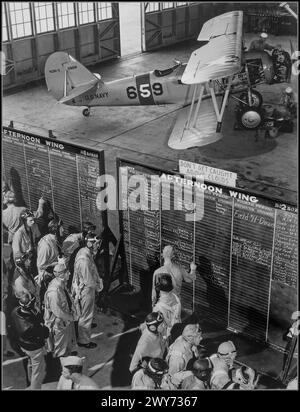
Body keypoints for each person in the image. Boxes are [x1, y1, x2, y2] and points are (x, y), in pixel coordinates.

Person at [10, 294, 49, 389]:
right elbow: (45, 332)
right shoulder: (32, 326)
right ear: (30, 306)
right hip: (35, 349)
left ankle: (30, 382)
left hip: (23, 346)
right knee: (38, 372)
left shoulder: (15, 312)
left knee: (30, 363)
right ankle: (35, 387)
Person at [71, 233, 103, 349]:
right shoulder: (84, 260)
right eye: (97, 244)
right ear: (90, 243)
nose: (98, 246)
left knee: (85, 312)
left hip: (85, 287)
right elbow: (88, 281)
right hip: (86, 290)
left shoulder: (84, 251)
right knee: (85, 314)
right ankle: (84, 340)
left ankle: (85, 327)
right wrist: (97, 288)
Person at [44, 261, 77, 359]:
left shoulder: (61, 284)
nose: (70, 273)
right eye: (67, 272)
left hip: (65, 321)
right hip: (59, 324)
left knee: (67, 342)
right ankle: (62, 365)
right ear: (62, 274)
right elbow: (57, 312)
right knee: (60, 348)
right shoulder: (54, 292)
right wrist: (71, 317)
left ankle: (67, 355)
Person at [36, 218, 64, 306]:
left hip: (54, 274)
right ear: (55, 230)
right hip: (46, 279)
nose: (63, 230)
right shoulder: (46, 245)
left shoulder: (54, 240)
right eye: (61, 228)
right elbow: (41, 266)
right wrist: (57, 263)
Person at [62, 221, 97, 287]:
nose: (92, 233)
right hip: (69, 265)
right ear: (84, 231)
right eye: (90, 231)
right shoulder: (73, 240)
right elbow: (65, 255)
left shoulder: (84, 238)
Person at [152, 273, 181, 339]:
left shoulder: (158, 307)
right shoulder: (176, 298)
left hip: (166, 337)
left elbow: (157, 328)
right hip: (178, 333)